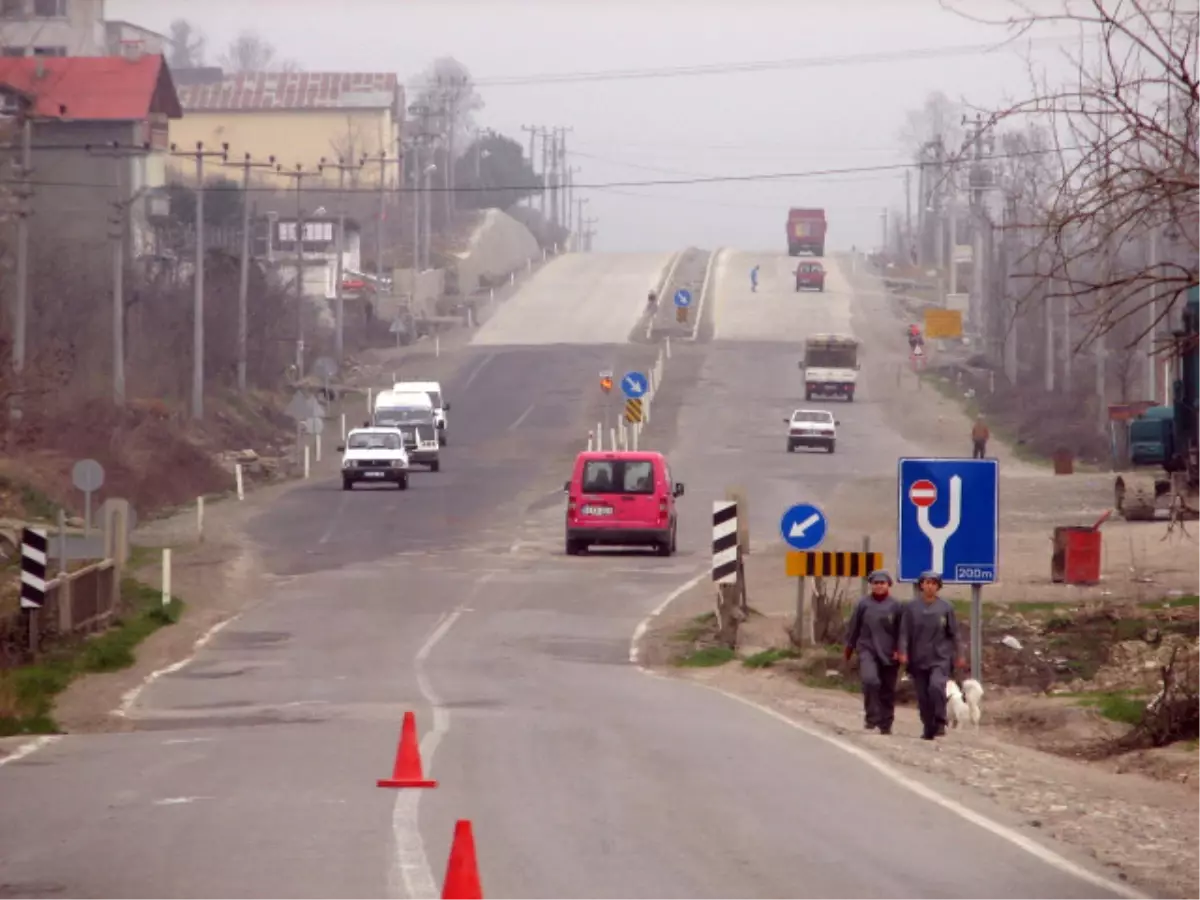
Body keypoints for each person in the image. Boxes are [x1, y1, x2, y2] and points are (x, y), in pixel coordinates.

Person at [897, 571, 964, 740]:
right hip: (918, 657)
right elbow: (904, 632)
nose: (930, 586)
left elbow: (954, 633)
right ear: (921, 585)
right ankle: (928, 726)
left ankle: (940, 721)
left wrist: (959, 654)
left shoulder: (946, 608)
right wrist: (903, 652)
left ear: (938, 586)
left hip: (940, 657)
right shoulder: (911, 607)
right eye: (927, 583)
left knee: (936, 687)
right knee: (923, 696)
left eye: (934, 583)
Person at [843, 570, 904, 735]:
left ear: (888, 585)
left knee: (887, 689)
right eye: (876, 583)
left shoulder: (896, 606)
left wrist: (900, 650)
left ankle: (886, 723)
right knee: (871, 681)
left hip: (890, 653)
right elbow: (854, 627)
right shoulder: (863, 604)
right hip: (867, 649)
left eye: (882, 583)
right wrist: (849, 648)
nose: (879, 586)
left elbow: (902, 631)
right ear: (871, 585)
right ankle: (872, 718)